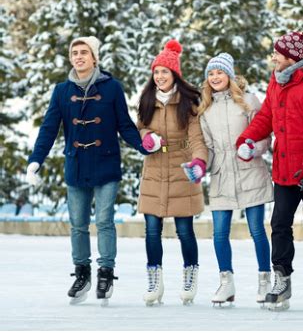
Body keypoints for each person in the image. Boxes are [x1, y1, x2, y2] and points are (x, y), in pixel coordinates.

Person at [26, 36, 150, 305]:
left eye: (84, 52)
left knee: (104, 220)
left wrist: (143, 146)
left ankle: (106, 271)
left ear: (94, 58)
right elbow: (49, 128)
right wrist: (36, 160)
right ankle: (82, 273)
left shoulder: (112, 88)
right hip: (77, 164)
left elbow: (125, 125)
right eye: (75, 52)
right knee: (78, 225)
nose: (79, 56)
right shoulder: (61, 91)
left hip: (105, 162)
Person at [236, 31, 303, 311]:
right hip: (284, 168)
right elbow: (266, 116)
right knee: (279, 225)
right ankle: (282, 277)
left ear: (291, 57)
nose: (273, 58)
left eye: (277, 54)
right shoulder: (277, 82)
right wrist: (247, 139)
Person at [198, 53, 273, 307]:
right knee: (219, 234)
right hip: (221, 174)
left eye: (219, 72)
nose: (215, 77)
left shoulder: (249, 101)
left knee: (256, 230)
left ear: (229, 75)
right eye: (211, 74)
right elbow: (207, 146)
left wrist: (253, 148)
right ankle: (226, 282)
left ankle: (264, 279)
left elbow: (264, 134)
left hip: (249, 170)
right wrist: (200, 166)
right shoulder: (205, 108)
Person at [137, 39, 208, 306]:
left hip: (182, 168)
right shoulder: (146, 99)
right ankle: (154, 279)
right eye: (156, 72)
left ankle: (190, 274)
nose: (159, 77)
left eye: (164, 72)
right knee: (152, 229)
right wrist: (146, 138)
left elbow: (198, 138)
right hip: (154, 168)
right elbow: (139, 127)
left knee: (184, 230)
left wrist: (200, 162)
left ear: (174, 74)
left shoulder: (188, 102)